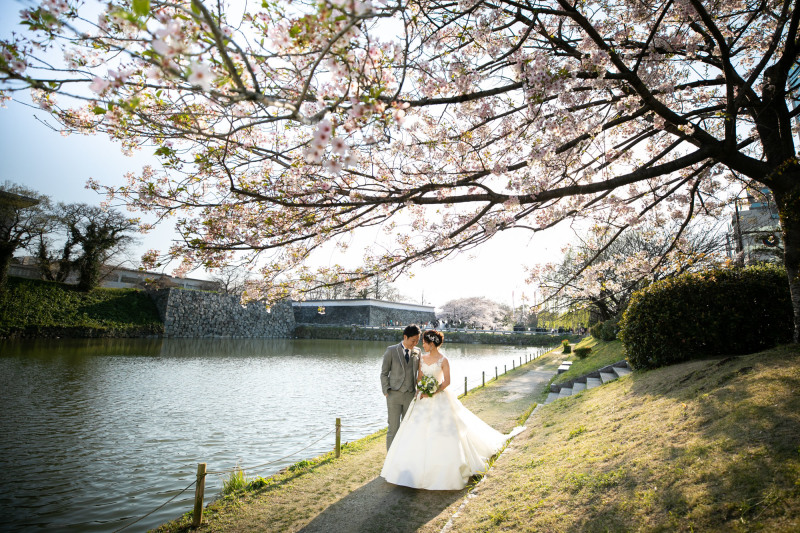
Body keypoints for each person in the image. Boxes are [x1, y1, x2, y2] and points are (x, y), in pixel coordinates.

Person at [380, 329, 524, 490]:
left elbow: (447, 381)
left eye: (424, 342)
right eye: (418, 342)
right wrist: (422, 389)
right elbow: (419, 377)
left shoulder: (443, 360)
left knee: (445, 432)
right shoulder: (421, 357)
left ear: (431, 343)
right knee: (411, 431)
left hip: (439, 397)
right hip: (421, 399)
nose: (421, 345)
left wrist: (433, 391)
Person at [380, 324, 421, 450]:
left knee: (408, 427)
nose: (415, 343)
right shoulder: (391, 350)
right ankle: (390, 461)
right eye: (413, 340)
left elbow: (420, 373)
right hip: (393, 395)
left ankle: (403, 457)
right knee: (393, 428)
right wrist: (386, 391)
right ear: (405, 337)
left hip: (410, 395)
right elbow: (384, 373)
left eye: (417, 341)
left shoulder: (418, 352)